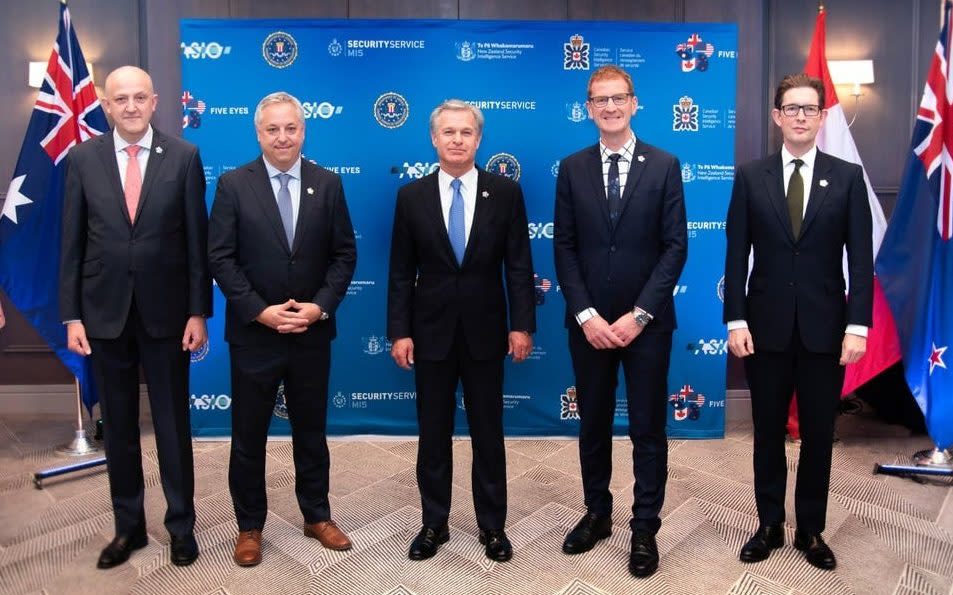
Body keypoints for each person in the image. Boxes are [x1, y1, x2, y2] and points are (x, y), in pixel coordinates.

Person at [59, 66, 211, 569]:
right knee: (119, 427)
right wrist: (71, 317)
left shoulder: (185, 157)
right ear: (105, 105)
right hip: (103, 315)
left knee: (172, 425)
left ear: (155, 102)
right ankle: (129, 529)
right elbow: (72, 244)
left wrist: (198, 311)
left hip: (168, 314)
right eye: (119, 98)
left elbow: (196, 242)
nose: (129, 106)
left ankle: (180, 528)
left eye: (139, 97)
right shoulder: (83, 158)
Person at [724, 73, 872, 571]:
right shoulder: (751, 176)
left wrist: (858, 326)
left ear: (823, 115)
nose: (802, 116)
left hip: (825, 329)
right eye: (792, 108)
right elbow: (735, 256)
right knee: (766, 432)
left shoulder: (848, 178)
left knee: (815, 434)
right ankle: (768, 524)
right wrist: (735, 319)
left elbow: (861, 261)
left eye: (810, 108)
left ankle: (810, 528)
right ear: (777, 116)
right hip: (763, 328)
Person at [207, 91, 357, 567]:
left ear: (303, 130)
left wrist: (318, 308)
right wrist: (260, 311)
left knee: (311, 432)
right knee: (248, 437)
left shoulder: (327, 183)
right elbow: (220, 257)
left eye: (290, 128)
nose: (282, 137)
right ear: (258, 133)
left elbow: (343, 256)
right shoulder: (233, 184)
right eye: (272, 129)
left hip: (311, 333)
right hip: (254, 334)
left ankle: (317, 514)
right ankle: (249, 526)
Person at [387, 99, 535, 563]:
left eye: (465, 132)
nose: (456, 139)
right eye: (448, 132)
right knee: (433, 433)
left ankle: (493, 526)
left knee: (488, 433)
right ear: (433, 139)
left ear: (478, 139)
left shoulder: (505, 193)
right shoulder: (410, 196)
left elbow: (519, 267)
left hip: (486, 332)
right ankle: (434, 523)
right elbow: (398, 272)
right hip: (428, 334)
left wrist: (523, 326)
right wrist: (399, 330)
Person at [553, 64, 687, 578]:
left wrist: (639, 315)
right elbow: (564, 246)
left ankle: (645, 526)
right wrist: (586, 314)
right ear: (588, 108)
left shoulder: (665, 164)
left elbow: (676, 247)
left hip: (647, 325)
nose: (609, 107)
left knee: (648, 429)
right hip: (588, 325)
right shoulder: (572, 167)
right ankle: (597, 514)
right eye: (599, 99)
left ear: (634, 103)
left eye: (618, 98)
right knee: (593, 425)